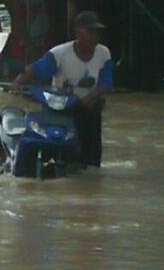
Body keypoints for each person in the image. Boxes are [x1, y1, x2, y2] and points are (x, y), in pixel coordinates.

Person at [11, 10, 114, 167]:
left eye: (97, 32)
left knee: (92, 158)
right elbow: (35, 69)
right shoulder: (60, 53)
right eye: (90, 31)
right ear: (78, 32)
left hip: (89, 108)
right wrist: (18, 82)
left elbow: (106, 84)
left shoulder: (103, 53)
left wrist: (90, 98)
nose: (95, 36)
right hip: (62, 107)